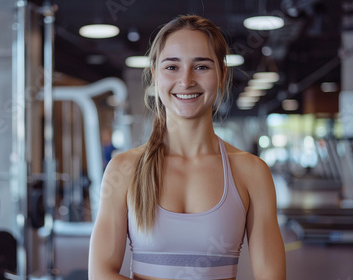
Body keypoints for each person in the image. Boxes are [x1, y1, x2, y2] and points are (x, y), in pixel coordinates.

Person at [89, 15, 286, 280]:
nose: (186, 81)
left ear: (222, 73)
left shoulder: (251, 172)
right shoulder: (124, 169)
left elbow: (271, 276)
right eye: (172, 67)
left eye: (201, 67)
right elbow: (101, 273)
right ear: (154, 75)